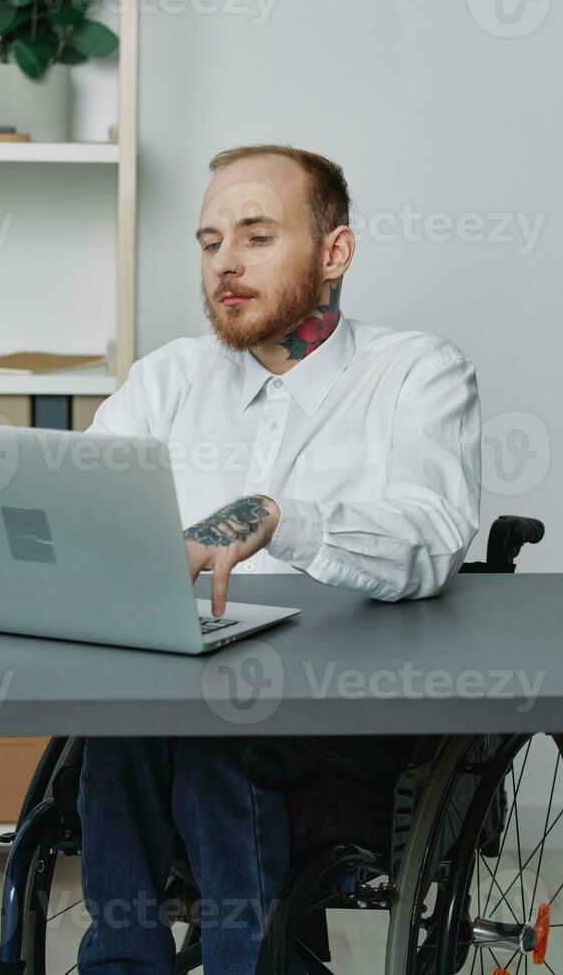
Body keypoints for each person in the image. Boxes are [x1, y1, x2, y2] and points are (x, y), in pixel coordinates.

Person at [76, 144, 482, 974]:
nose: (226, 263)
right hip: (179, 692)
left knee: (215, 734)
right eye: (210, 240)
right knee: (116, 728)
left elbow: (430, 537)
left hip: (353, 711)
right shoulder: (168, 381)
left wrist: (280, 519)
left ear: (334, 253)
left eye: (257, 237)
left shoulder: (414, 374)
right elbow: (89, 518)